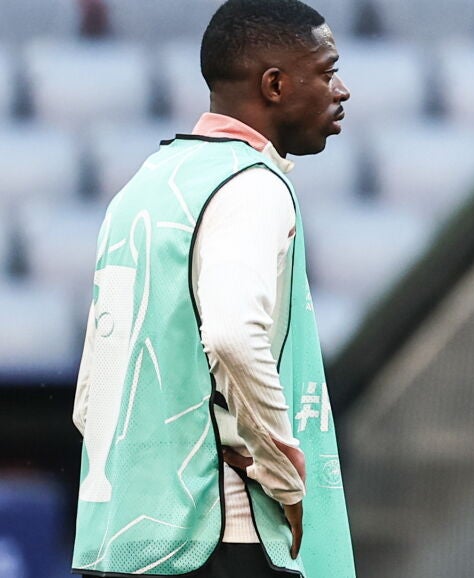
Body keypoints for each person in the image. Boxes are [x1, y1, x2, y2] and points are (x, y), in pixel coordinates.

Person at [70, 1, 354, 576]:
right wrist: (284, 476)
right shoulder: (251, 186)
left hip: (122, 541)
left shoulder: (143, 186)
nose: (341, 90)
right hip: (221, 536)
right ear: (275, 85)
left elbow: (91, 394)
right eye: (327, 72)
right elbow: (232, 337)